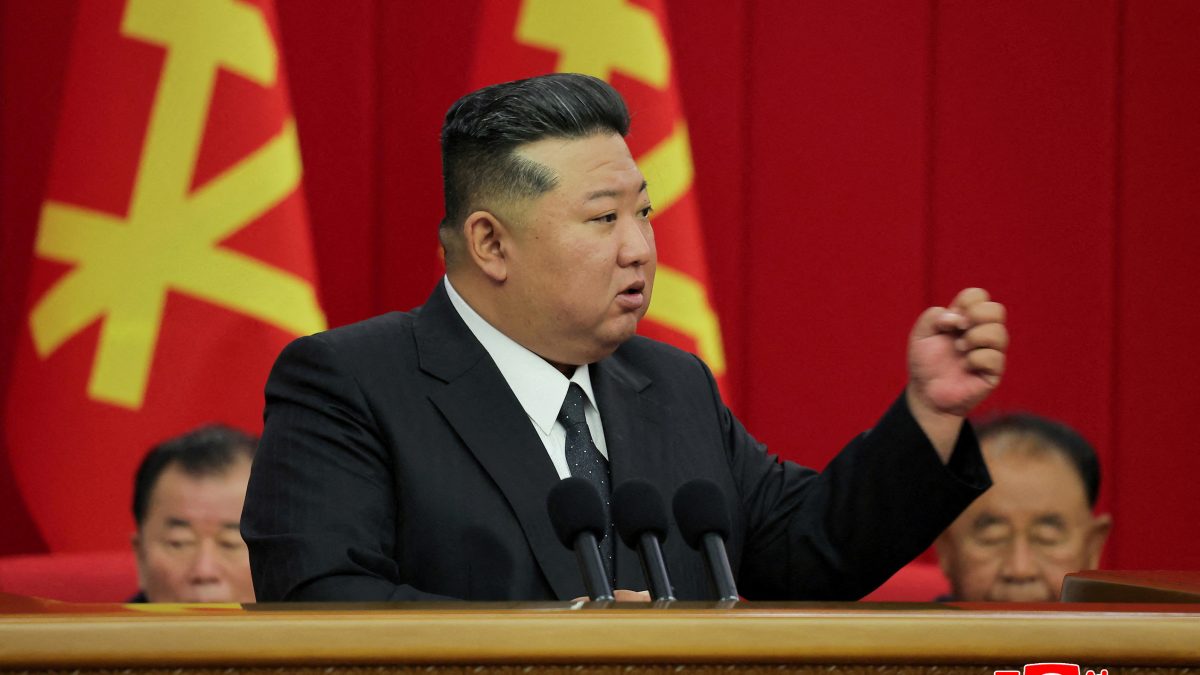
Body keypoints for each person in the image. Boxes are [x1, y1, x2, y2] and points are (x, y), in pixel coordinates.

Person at [242, 73, 1008, 602]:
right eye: (604, 218)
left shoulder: (671, 383)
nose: (639, 247)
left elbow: (805, 551)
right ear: (491, 244)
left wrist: (929, 413)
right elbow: (324, 602)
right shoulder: (349, 383)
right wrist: (564, 642)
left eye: (644, 213)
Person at [935, 414, 1111, 602]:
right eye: (993, 537)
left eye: (1046, 538)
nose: (1020, 569)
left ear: (1092, 547)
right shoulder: (907, 633)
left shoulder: (1133, 632)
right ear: (946, 548)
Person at [130, 424, 257, 603]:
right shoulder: (98, 631)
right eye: (179, 543)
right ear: (141, 557)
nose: (204, 572)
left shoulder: (307, 629)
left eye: (231, 543)